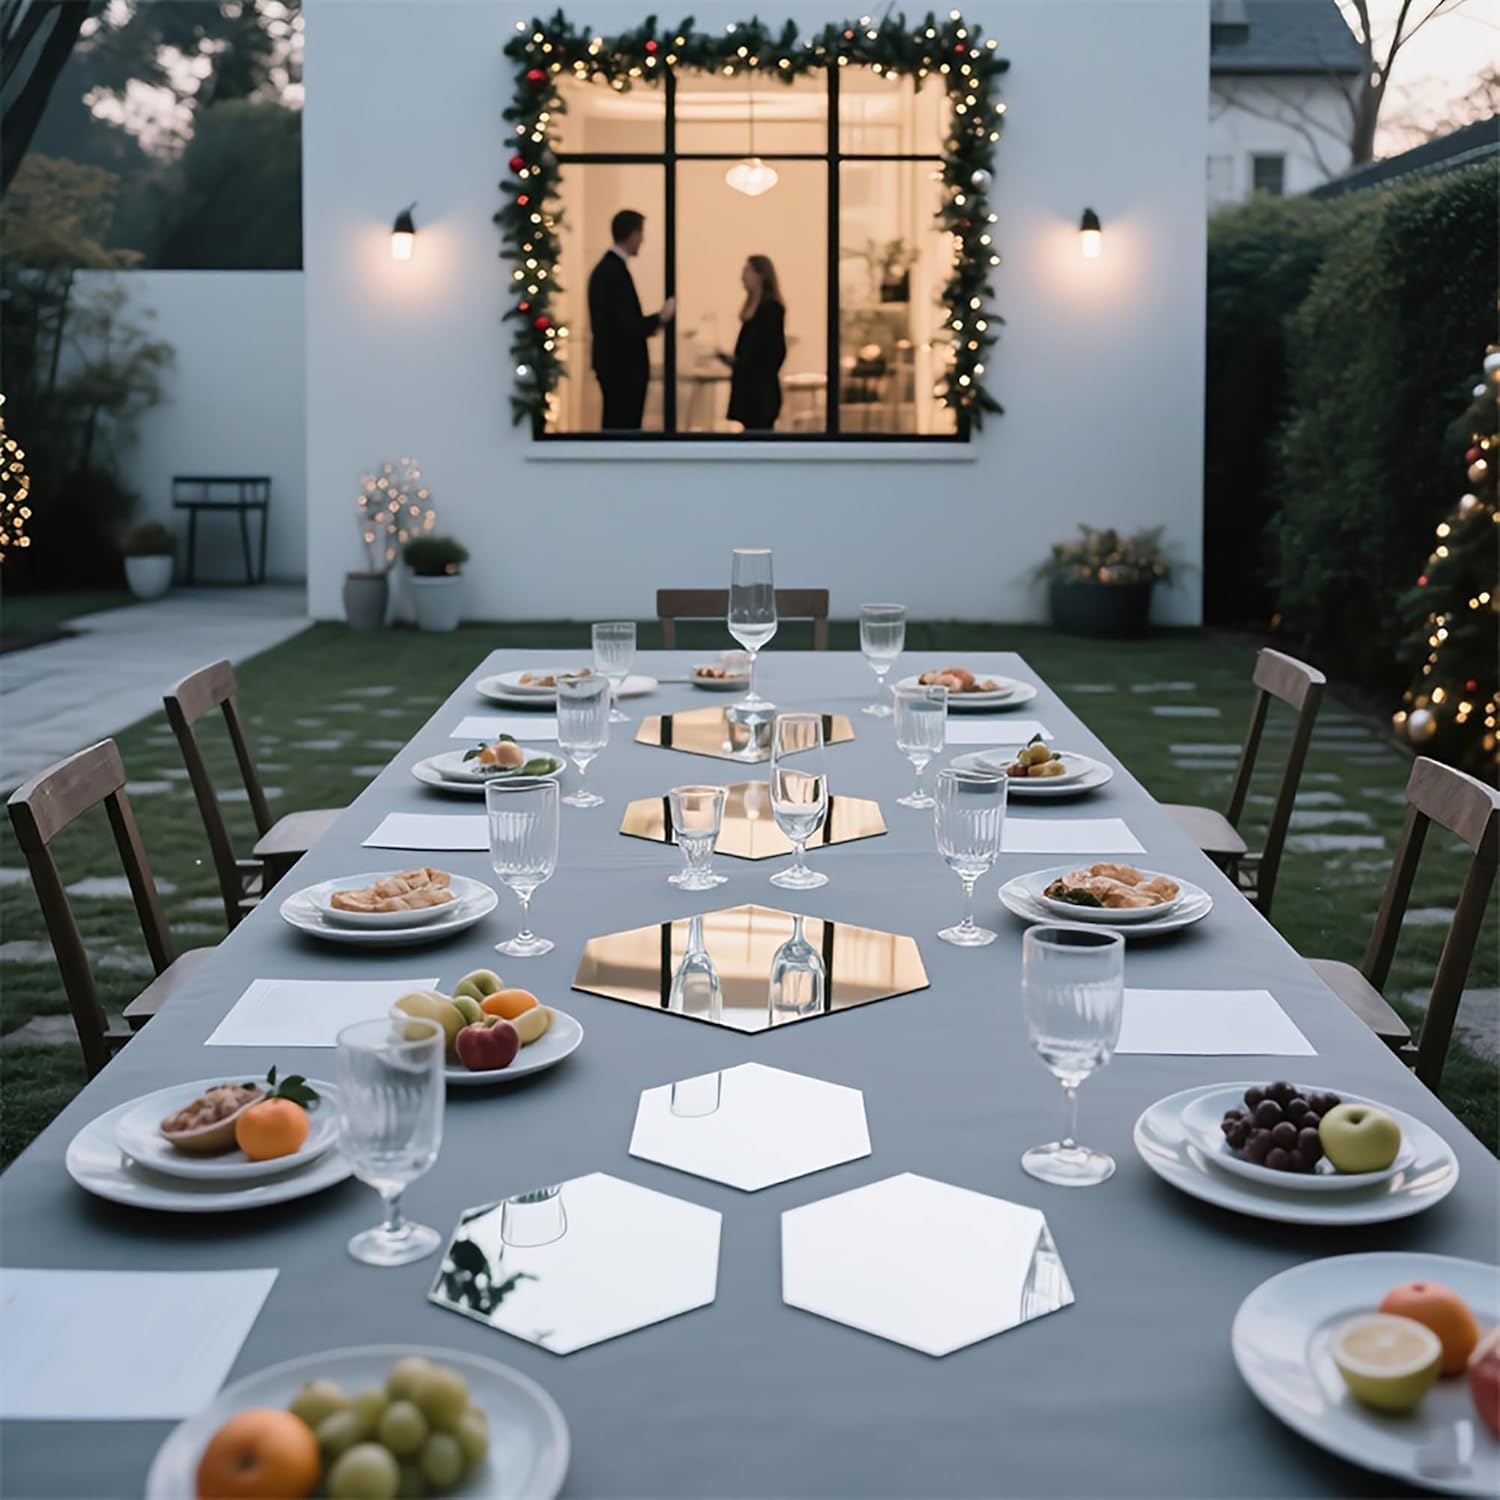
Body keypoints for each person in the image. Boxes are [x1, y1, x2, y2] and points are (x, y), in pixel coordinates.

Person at [587, 209, 675, 431]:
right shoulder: (613, 272)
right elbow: (625, 326)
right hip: (623, 368)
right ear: (633, 234)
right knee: (624, 426)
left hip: (615, 366)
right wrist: (659, 319)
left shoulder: (607, 270)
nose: (642, 240)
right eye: (641, 233)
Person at [720, 255, 787, 432]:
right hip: (747, 392)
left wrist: (745, 364)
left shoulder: (770, 309)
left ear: (760, 275)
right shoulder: (752, 311)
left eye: (747, 271)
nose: (742, 277)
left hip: (760, 393)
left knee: (758, 434)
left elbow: (774, 352)